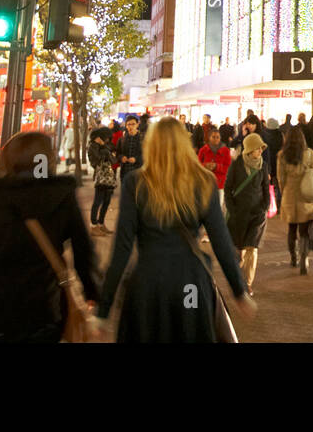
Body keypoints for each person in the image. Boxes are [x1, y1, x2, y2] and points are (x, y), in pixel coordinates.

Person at [97, 117, 255, 342]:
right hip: (190, 281)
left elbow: (122, 248)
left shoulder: (136, 183)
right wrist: (239, 291)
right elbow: (221, 242)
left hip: (148, 283)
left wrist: (104, 309)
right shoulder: (204, 182)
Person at [0, 132, 100, 343]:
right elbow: (84, 252)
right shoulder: (61, 196)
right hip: (44, 315)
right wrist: (93, 293)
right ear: (47, 159)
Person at [223, 132, 270, 296]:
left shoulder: (263, 166)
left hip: (257, 214)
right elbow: (228, 188)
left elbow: (265, 188)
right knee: (239, 250)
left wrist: (265, 206)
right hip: (238, 214)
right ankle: (238, 279)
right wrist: (232, 209)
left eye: (262, 148)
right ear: (249, 149)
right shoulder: (236, 166)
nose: (260, 152)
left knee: (252, 248)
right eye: (258, 148)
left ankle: (247, 284)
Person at [277, 125, 313, 274]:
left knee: (292, 230)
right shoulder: (309, 154)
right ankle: (304, 258)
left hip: (290, 195)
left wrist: (284, 192)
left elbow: (281, 179)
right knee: (304, 231)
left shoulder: (282, 156)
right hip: (306, 196)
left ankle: (293, 257)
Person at [87, 128, 118, 235]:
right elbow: (95, 161)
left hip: (109, 178)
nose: (106, 140)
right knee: (97, 202)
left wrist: (106, 150)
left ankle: (101, 223)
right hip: (100, 178)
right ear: (98, 137)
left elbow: (114, 160)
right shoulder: (92, 147)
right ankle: (93, 225)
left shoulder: (105, 146)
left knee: (106, 201)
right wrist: (105, 153)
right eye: (105, 138)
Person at [263, 118, 283, 213]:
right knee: (278, 185)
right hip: (278, 162)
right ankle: (278, 205)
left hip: (267, 163)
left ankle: (269, 206)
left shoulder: (264, 135)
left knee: (267, 185)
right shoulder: (280, 134)